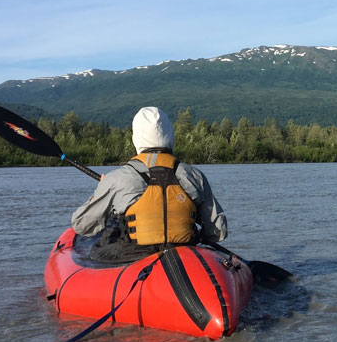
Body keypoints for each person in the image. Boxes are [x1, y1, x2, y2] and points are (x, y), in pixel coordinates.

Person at [71, 106, 227, 262]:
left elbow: (82, 225)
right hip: (184, 253)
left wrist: (103, 189)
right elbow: (217, 232)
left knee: (105, 239)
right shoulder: (194, 175)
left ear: (136, 138)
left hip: (133, 255)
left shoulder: (117, 178)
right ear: (171, 136)